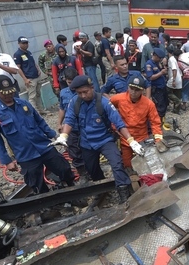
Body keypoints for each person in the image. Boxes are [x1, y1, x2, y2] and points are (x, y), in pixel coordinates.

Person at [52, 75, 139, 203]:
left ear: (92, 88)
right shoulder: (75, 102)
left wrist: (131, 141)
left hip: (104, 140)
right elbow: (69, 119)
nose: (83, 96)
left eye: (85, 92)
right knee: (91, 168)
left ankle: (123, 190)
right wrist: (64, 136)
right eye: (79, 93)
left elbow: (119, 123)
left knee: (116, 163)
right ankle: (102, 189)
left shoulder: (103, 102)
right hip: (87, 143)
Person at [0, 75, 75, 194]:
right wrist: (7, 161)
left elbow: (39, 121)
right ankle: (48, 206)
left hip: (44, 146)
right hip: (25, 154)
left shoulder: (24, 104)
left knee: (64, 168)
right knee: (36, 183)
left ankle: (72, 191)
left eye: (11, 92)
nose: (9, 95)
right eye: (4, 93)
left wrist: (55, 136)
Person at [110, 75, 165, 169]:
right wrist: (113, 126)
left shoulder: (148, 104)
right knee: (127, 164)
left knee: (144, 164)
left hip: (142, 139)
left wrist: (158, 140)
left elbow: (155, 123)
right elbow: (107, 110)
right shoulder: (118, 99)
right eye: (131, 88)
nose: (133, 92)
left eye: (137, 90)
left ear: (142, 91)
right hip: (125, 139)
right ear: (128, 87)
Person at [56, 69, 87, 178]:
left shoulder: (84, 91)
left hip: (85, 127)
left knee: (88, 150)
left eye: (73, 82)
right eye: (69, 83)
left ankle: (92, 171)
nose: (72, 85)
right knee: (74, 151)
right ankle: (83, 174)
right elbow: (62, 108)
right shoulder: (63, 93)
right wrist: (60, 123)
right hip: (71, 128)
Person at [13, 37, 45, 111]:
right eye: (23, 43)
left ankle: (41, 110)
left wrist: (38, 69)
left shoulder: (28, 52)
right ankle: (35, 113)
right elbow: (18, 68)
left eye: (26, 43)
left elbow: (33, 63)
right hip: (29, 78)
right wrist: (25, 79)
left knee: (38, 94)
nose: (25, 45)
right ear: (19, 43)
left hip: (36, 76)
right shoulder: (17, 54)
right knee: (32, 97)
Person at [145, 47, 169, 119]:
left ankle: (162, 119)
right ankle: (158, 122)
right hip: (157, 89)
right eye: (159, 58)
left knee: (165, 103)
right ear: (155, 56)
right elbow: (151, 77)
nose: (160, 59)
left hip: (163, 87)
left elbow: (162, 71)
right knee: (159, 106)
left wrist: (164, 70)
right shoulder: (149, 64)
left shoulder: (158, 63)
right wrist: (161, 73)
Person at [166, 47, 183, 113]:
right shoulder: (175, 59)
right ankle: (176, 110)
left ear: (168, 52)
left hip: (174, 78)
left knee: (167, 91)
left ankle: (178, 102)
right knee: (177, 94)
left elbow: (174, 69)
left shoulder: (171, 59)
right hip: (179, 79)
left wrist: (173, 80)